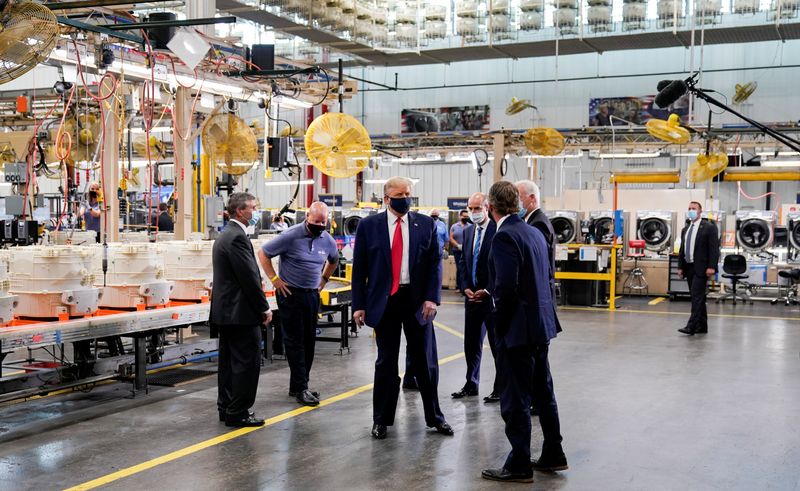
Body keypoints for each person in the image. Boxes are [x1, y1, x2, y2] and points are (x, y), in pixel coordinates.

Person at [352, 176, 453, 440]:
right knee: (386, 362)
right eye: (400, 194)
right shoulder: (368, 226)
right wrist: (359, 305)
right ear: (386, 199)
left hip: (417, 302)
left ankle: (435, 417)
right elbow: (359, 268)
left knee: (425, 362)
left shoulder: (425, 224)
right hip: (384, 302)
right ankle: (381, 420)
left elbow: (435, 264)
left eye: (408, 193)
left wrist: (432, 298)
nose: (405, 198)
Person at [482, 181, 567, 483]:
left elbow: (507, 287)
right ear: (517, 203)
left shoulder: (504, 236)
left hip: (518, 330)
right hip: (540, 325)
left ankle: (519, 463)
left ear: (490, 206)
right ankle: (554, 452)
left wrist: (497, 317)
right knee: (543, 391)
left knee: (515, 397)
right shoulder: (533, 232)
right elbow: (539, 278)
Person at [257, 202, 338, 406]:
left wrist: (324, 280)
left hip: (312, 295)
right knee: (294, 341)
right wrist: (274, 279)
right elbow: (263, 253)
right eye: (316, 221)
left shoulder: (327, 240)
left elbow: (334, 260)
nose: (320, 225)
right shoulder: (290, 235)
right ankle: (301, 388)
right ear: (307, 218)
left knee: (309, 341)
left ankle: (300, 385)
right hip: (290, 294)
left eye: (323, 222)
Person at [211, 192, 272, 428]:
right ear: (240, 211)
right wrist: (264, 307)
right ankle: (238, 411)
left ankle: (226, 407)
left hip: (227, 313)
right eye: (253, 208)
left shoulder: (225, 235)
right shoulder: (237, 237)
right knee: (247, 363)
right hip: (241, 314)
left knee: (228, 363)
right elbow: (248, 278)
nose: (255, 212)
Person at [452, 192, 499, 403]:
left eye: (477, 208)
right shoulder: (468, 231)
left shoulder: (497, 230)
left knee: (497, 345)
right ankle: (471, 383)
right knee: (471, 343)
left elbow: (501, 266)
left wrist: (488, 290)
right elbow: (463, 261)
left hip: (491, 297)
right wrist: (465, 287)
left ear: (487, 207)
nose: (473, 212)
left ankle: (500, 388)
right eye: (471, 209)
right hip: (471, 297)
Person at [677, 201, 719, 335]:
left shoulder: (709, 227)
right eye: (689, 208)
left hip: (701, 267)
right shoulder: (686, 229)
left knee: (696, 296)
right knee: (698, 296)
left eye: (694, 208)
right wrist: (680, 267)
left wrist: (712, 266)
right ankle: (702, 326)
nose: (691, 210)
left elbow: (714, 249)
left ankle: (691, 326)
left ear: (700, 211)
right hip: (689, 267)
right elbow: (682, 250)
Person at [517, 180, 557, 304]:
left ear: (532, 198)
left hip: (538, 293)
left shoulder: (538, 224)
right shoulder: (530, 221)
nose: (515, 204)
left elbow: (537, 262)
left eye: (518, 199)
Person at [449, 209, 470, 292]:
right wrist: (458, 245)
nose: (466, 218)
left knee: (466, 268)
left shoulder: (470, 226)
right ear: (460, 216)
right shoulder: (454, 226)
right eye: (464, 216)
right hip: (457, 250)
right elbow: (451, 238)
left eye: (467, 216)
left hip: (467, 251)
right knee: (459, 268)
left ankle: (466, 287)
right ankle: (459, 286)